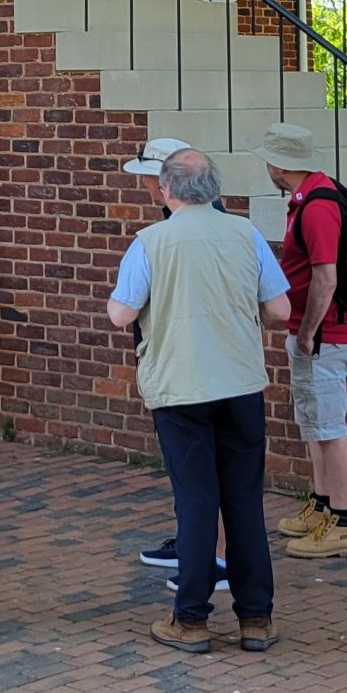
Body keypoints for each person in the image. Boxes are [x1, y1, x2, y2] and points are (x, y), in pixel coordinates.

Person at [108, 149, 291, 655]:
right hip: (239, 382)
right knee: (244, 501)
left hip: (180, 386)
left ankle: (190, 620)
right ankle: (256, 618)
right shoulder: (246, 234)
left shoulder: (150, 242)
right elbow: (280, 307)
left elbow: (122, 314)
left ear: (167, 189)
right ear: (214, 189)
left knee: (195, 502)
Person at [119, 137, 229, 593]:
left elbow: (123, 309)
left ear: (168, 180)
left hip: (197, 366)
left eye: (149, 175)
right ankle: (196, 544)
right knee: (193, 470)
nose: (144, 184)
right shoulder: (179, 223)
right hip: (195, 363)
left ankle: (213, 558)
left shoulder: (198, 229)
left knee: (206, 470)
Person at [262, 122, 347, 561]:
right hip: (314, 333)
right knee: (315, 425)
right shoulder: (308, 199)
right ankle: (322, 504)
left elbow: (326, 277)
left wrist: (307, 333)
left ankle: (341, 522)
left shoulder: (318, 207)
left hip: (323, 336)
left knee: (329, 427)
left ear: (281, 164)